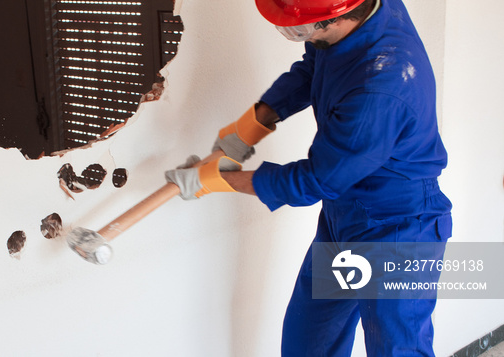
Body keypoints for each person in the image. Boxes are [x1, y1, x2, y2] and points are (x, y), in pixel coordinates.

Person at [164, 0, 453, 355]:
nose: (288, 31)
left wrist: (217, 180)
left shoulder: (381, 86)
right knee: (311, 339)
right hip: (345, 213)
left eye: (297, 27)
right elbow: (311, 67)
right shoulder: (368, 12)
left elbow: (314, 181)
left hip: (397, 227)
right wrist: (247, 129)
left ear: (334, 17)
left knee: (397, 348)